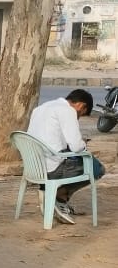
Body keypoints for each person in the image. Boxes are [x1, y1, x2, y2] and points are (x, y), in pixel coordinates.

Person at [26, 89, 105, 224]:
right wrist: (83, 145)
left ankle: (48, 191)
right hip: (52, 169)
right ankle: (59, 197)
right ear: (81, 105)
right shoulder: (68, 111)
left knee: (71, 156)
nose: (78, 117)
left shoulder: (41, 108)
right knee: (97, 168)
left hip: (34, 167)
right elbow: (76, 147)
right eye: (81, 114)